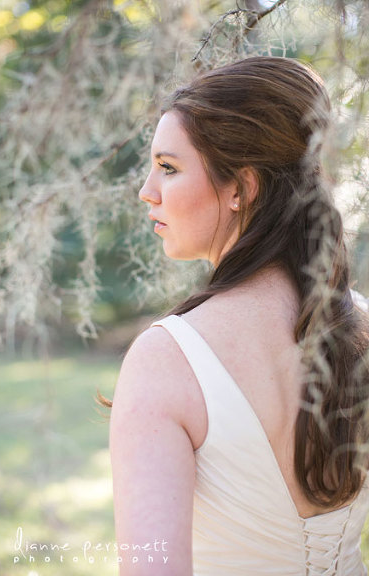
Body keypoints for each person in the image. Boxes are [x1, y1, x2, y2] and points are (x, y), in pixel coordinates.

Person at [107, 57, 369, 575]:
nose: (146, 191)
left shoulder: (166, 361)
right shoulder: (362, 324)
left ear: (240, 189)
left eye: (169, 167)